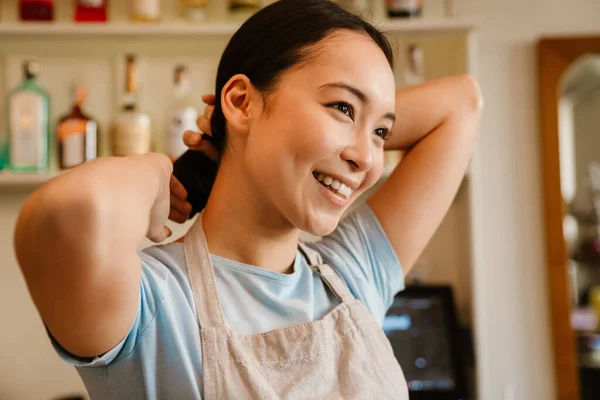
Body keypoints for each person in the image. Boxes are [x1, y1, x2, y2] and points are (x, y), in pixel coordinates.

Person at [14, 0, 483, 398]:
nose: (367, 158)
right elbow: (66, 212)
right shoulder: (153, 306)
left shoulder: (352, 275)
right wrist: (158, 171)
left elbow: (464, 102)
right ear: (241, 101)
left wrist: (349, 122)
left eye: (382, 130)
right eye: (342, 106)